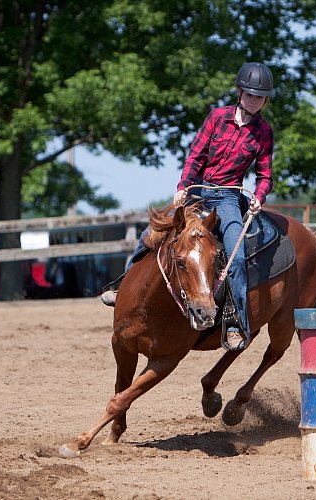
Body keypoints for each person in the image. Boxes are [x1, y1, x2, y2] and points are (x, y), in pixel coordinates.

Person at [100, 62, 275, 351]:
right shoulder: (217, 117)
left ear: (265, 100)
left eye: (260, 97)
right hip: (198, 190)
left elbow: (265, 174)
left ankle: (235, 324)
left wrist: (260, 196)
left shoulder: (264, 132)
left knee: (236, 258)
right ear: (240, 92)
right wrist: (183, 186)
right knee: (151, 234)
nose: (254, 100)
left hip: (229, 198)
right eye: (250, 95)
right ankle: (122, 287)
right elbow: (196, 154)